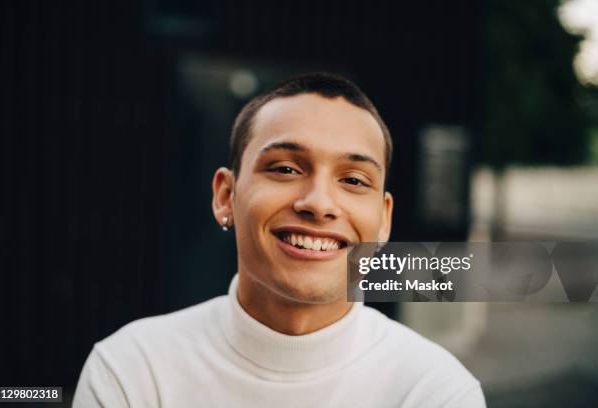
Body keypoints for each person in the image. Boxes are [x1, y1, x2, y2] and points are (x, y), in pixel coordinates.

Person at [72, 73, 486, 407]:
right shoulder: (132, 370)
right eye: (286, 169)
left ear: (383, 221)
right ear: (225, 196)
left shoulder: (434, 391)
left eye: (354, 180)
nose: (319, 203)